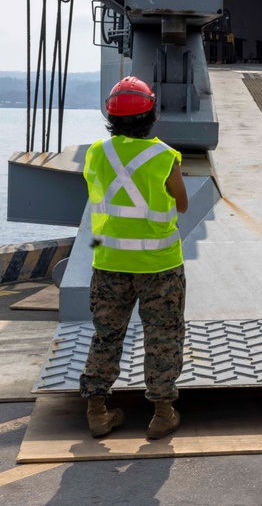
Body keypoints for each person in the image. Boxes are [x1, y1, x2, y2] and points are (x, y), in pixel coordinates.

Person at [80, 76, 188, 440]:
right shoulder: (165, 156)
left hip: (108, 261)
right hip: (159, 264)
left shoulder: (96, 152)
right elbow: (182, 204)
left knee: (106, 335)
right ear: (152, 114)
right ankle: (161, 413)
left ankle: (97, 411)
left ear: (110, 117)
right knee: (162, 335)